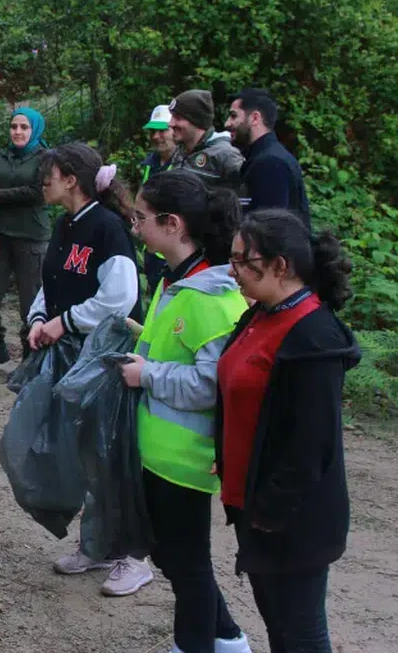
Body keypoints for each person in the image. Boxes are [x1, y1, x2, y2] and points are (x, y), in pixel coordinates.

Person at [118, 171, 251, 653]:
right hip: (161, 452)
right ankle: (228, 639)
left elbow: (214, 383)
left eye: (141, 217)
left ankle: (198, 644)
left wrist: (146, 375)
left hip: (186, 461)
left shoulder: (208, 298)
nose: (135, 226)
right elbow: (173, 353)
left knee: (187, 563)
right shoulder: (178, 283)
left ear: (173, 224)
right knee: (173, 556)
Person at [217, 211, 358, 653]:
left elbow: (311, 443)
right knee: (279, 626)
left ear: (281, 266)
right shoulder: (260, 313)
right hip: (253, 505)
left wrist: (269, 510)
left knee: (300, 633)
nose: (232, 269)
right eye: (232, 257)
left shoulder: (313, 335)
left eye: (243, 260)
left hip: (291, 519)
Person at [26, 143, 147, 595]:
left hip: (102, 354)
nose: (43, 181)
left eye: (50, 174)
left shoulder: (107, 228)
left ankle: (135, 556)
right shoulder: (65, 225)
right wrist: (40, 318)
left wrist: (65, 321)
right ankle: (97, 544)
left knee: (111, 450)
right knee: (86, 450)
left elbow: (118, 299)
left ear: (71, 179)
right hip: (70, 352)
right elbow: (51, 282)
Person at [0, 108, 50, 375]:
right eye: (14, 126)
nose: (17, 132)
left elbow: (39, 193)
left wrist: (1, 196)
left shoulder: (45, 158)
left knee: (31, 305)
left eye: (24, 127)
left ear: (35, 130)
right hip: (1, 237)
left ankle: (30, 359)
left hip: (32, 238)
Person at [225, 88, 310, 226]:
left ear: (254, 118)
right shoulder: (262, 158)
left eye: (233, 116)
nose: (227, 123)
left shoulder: (270, 163)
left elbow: (269, 231)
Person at [138, 104, 178, 296]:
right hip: (151, 248)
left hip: (173, 250)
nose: (156, 136)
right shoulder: (150, 163)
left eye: (162, 131)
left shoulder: (184, 164)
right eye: (153, 131)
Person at [168, 90, 243, 188]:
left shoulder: (226, 155)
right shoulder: (180, 150)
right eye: (172, 116)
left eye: (178, 117)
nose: (170, 123)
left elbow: (242, 198)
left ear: (196, 121)